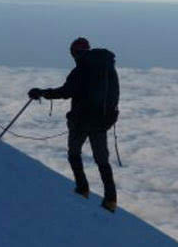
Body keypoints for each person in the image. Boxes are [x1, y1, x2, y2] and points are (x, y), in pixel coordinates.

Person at [29, 37, 120, 212]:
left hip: (81, 121)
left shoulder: (81, 70)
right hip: (101, 121)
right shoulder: (107, 68)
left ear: (75, 53)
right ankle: (110, 200)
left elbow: (66, 92)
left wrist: (41, 93)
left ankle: (82, 188)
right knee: (102, 161)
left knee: (74, 153)